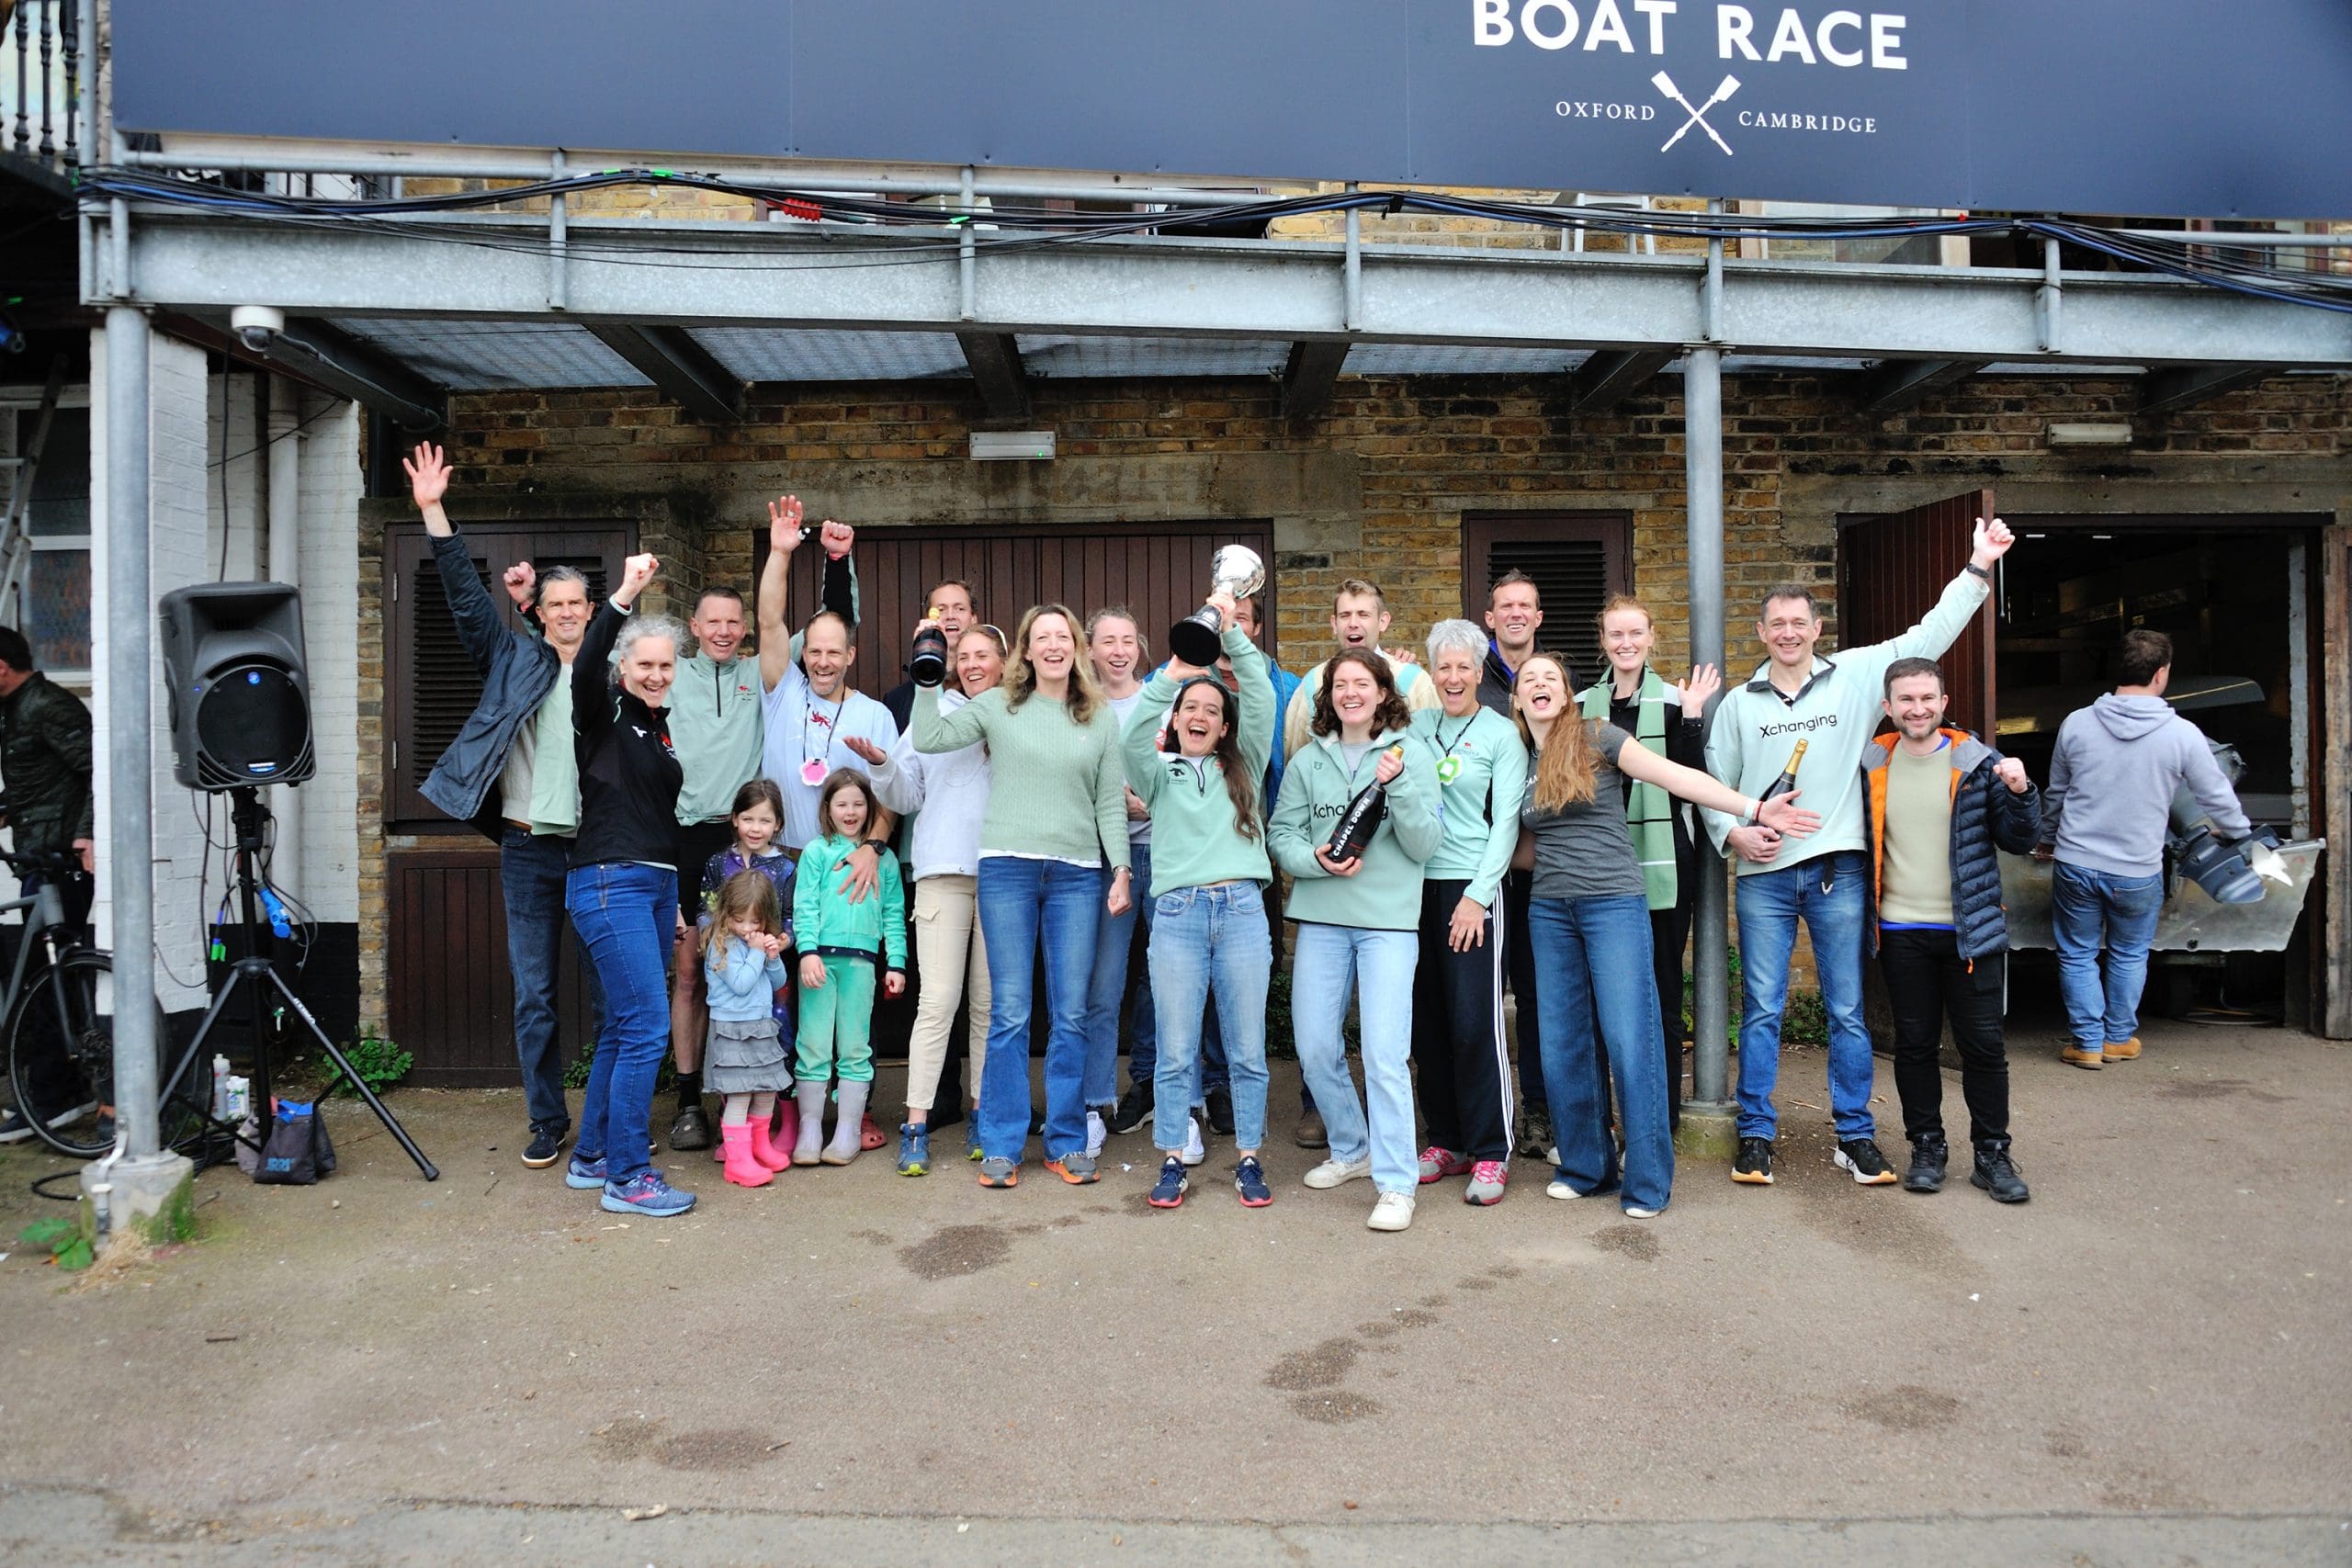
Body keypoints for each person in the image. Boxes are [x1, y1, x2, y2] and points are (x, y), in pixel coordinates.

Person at [1702, 515, 2016, 1189]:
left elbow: (1929, 635)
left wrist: (1978, 566)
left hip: (1837, 870)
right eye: (1776, 624)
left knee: (1846, 1010)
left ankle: (1855, 1135)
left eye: (1799, 622)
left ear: (1818, 629)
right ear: (1761, 632)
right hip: (1763, 873)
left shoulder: (1854, 674)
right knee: (1762, 1009)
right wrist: (1731, 833)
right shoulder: (1737, 705)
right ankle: (1755, 1135)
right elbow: (1712, 783)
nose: (1788, 632)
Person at [1515, 654, 1817, 1219]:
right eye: (1528, 678)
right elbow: (1524, 851)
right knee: (1563, 1043)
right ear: (1516, 699)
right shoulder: (1521, 758)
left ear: (1566, 694)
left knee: (1632, 1038)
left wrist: (1753, 807)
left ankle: (1648, 1182)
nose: (1539, 684)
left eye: (1550, 677)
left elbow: (1675, 776)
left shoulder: (1596, 735)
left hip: (1612, 903)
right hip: (1550, 910)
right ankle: (1586, 1168)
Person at [403, 442, 599, 1173]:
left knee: (612, 995)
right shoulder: (513, 658)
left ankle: (609, 1119)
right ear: (539, 613)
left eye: (578, 603)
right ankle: (547, 1119)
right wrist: (434, 511)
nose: (568, 613)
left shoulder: (614, 671)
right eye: (556, 604)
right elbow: (463, 599)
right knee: (535, 997)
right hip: (526, 849)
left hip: (596, 851)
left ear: (591, 610)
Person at [913, 604, 1132, 1189]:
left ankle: (1065, 1141)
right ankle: (1002, 1144)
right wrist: (927, 670)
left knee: (1071, 1013)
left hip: (1077, 875)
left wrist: (1121, 869)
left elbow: (1109, 802)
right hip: (1007, 870)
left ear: (1075, 648)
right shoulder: (998, 705)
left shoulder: (1098, 717)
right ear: (1027, 652)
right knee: (1009, 1012)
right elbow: (930, 737)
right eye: (1043, 638)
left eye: (1063, 636)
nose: (1054, 646)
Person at [664, 549, 852, 1154]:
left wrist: (822, 558)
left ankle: (766, 1100)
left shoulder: (763, 673)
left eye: (732, 622)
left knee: (769, 967)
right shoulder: (668, 672)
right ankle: (692, 1100)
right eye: (711, 621)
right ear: (693, 626)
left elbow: (828, 621)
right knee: (693, 972)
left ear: (744, 627)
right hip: (687, 836)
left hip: (749, 837)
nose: (723, 631)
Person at [1114, 592, 1301, 1145]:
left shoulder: (1243, 767)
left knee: (1247, 1052)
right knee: (1174, 1052)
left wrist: (1228, 627)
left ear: (1224, 727)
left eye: (1212, 711)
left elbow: (1260, 692)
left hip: (1242, 910)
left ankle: (1249, 1156)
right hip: (1179, 913)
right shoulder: (1157, 774)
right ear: (1175, 720)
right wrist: (1173, 674)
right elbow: (1131, 736)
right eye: (1190, 708)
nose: (1200, 716)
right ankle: (1173, 1153)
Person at [1269, 650, 1442, 1233]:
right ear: (1328, 696)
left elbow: (1424, 844)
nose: (1350, 693)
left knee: (1384, 1054)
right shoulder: (1307, 759)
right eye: (1339, 684)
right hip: (1320, 917)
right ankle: (1352, 1147)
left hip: (1388, 922)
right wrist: (1313, 860)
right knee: (1315, 1047)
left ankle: (1396, 1183)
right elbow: (1282, 835)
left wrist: (1400, 786)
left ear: (1382, 692)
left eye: (1361, 683)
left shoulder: (1410, 753)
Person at [1863, 659, 2040, 1202]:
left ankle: (1992, 1154)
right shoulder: (1872, 761)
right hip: (1900, 931)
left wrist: (2021, 791)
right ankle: (1927, 1147)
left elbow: (2019, 840)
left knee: (1983, 1048)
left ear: (1943, 703)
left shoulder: (1978, 762)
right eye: (1906, 699)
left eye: (1927, 698)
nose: (1917, 709)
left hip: (1970, 933)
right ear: (1888, 707)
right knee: (1915, 1046)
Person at [2040, 627, 2252, 1070]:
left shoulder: (2077, 723)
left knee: (2077, 952)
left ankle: (2087, 1043)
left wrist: (2045, 837)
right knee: (2129, 952)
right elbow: (2216, 796)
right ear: (2161, 674)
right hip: (2137, 869)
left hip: (2076, 862)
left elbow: (2057, 794)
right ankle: (2118, 1039)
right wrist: (2238, 834)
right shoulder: (2182, 734)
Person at [559, 553, 696, 1217]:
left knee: (623, 1024)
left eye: (666, 665)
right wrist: (623, 595)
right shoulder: (603, 709)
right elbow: (585, 665)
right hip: (611, 880)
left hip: (654, 885)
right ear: (623, 667)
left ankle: (593, 1155)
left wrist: (676, 903)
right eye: (645, 664)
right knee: (646, 1026)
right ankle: (629, 1175)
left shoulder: (656, 726)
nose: (656, 674)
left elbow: (657, 816)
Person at [858, 625, 1006, 1175]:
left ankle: (983, 1115)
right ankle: (916, 1123)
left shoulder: (1018, 711)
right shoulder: (934, 708)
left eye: (982, 655)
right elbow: (906, 792)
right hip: (943, 872)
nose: (971, 664)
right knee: (938, 1003)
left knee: (990, 1006)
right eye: (963, 656)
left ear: (1004, 661)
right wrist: (882, 765)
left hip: (1004, 875)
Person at [1577, 595, 1720, 1132]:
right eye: (1616, 634)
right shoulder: (1579, 707)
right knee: (1601, 996)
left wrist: (1693, 717)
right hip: (1599, 861)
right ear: (1603, 641)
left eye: (1636, 633)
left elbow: (1689, 783)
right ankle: (1605, 1117)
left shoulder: (1675, 702)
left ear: (1651, 637)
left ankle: (1660, 1117)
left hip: (1665, 861)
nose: (1626, 643)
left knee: (1662, 989)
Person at [1407, 620, 1530, 1206]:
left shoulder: (1502, 734)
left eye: (1464, 667)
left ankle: (1490, 1149)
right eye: (1443, 667)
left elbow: (1506, 824)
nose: (1453, 677)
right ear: (1431, 673)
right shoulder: (1414, 727)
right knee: (1426, 1019)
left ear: (1480, 672)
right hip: (1412, 889)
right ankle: (1446, 1140)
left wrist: (1477, 897)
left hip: (1472, 889)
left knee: (1475, 1021)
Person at [1472, 570, 1568, 1166]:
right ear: (1490, 618)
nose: (1514, 614)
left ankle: (1539, 1107)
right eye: (1504, 605)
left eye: (1524, 606)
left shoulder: (1551, 680)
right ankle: (1479, 1111)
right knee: (1477, 995)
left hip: (1535, 868)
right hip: (1475, 867)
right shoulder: (1467, 676)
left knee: (1536, 993)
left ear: (1537, 617)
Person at [756, 497, 899, 860]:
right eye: (815, 652)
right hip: (779, 856)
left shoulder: (876, 715)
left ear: (850, 655)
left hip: (846, 858)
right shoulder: (783, 689)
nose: (823, 663)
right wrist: (780, 552)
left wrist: (871, 849)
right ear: (802, 653)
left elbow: (891, 796)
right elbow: (769, 621)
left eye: (834, 653)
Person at [0, 624, 98, 1145]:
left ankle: (53, 1096)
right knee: (42, 977)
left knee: (45, 979)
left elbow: (96, 770)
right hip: (38, 856)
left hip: (59, 860)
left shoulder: (48, 706)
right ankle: (59, 1090)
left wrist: (86, 836)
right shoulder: (18, 709)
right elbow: (39, 783)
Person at [790, 770, 907, 1167]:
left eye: (858, 803)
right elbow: (805, 906)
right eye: (842, 804)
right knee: (813, 1043)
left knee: (855, 1045)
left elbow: (893, 913)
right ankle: (810, 1128)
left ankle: (847, 1130)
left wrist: (896, 962)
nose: (850, 811)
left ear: (870, 808)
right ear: (828, 808)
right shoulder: (817, 852)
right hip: (819, 962)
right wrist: (807, 952)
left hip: (861, 963)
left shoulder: (884, 859)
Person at [1080, 607, 1159, 1159]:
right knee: (1103, 984)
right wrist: (1110, 806)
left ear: (1139, 648)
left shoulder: (1160, 702)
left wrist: (1149, 803)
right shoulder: (1080, 706)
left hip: (1161, 852)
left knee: (1164, 980)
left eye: (1127, 640)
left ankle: (1156, 1089)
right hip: (1104, 857)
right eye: (1107, 641)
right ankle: (1095, 1101)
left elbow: (1184, 767)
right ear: (1090, 650)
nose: (1118, 650)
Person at [691, 779, 798, 1166]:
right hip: (733, 969)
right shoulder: (719, 863)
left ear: (778, 824)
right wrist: (717, 936)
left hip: (767, 976)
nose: (756, 828)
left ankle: (783, 1124)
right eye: (748, 818)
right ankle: (734, 1135)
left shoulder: (785, 867)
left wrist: (780, 943)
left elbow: (791, 917)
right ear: (734, 819)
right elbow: (706, 908)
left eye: (765, 820)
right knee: (735, 1063)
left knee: (777, 1044)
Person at [702, 869, 795, 1189]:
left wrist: (772, 957)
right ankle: (737, 1161)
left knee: (766, 1090)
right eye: (739, 920)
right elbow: (741, 984)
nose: (746, 928)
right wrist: (756, 952)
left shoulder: (756, 943)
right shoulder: (721, 945)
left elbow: (778, 982)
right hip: (732, 1030)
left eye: (755, 922)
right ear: (726, 914)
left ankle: (759, 1146)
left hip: (760, 1026)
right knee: (740, 1096)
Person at [1279, 578, 1441, 757]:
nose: (1353, 623)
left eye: (1363, 615)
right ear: (1334, 624)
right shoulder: (1313, 683)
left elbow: (1434, 755)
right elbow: (1294, 756)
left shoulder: (1415, 682)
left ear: (1383, 621)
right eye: (1345, 615)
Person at [882, 577, 979, 732]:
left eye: (959, 609)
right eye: (941, 610)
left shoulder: (987, 686)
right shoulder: (896, 699)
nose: (950, 616)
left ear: (973, 618)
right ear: (929, 619)